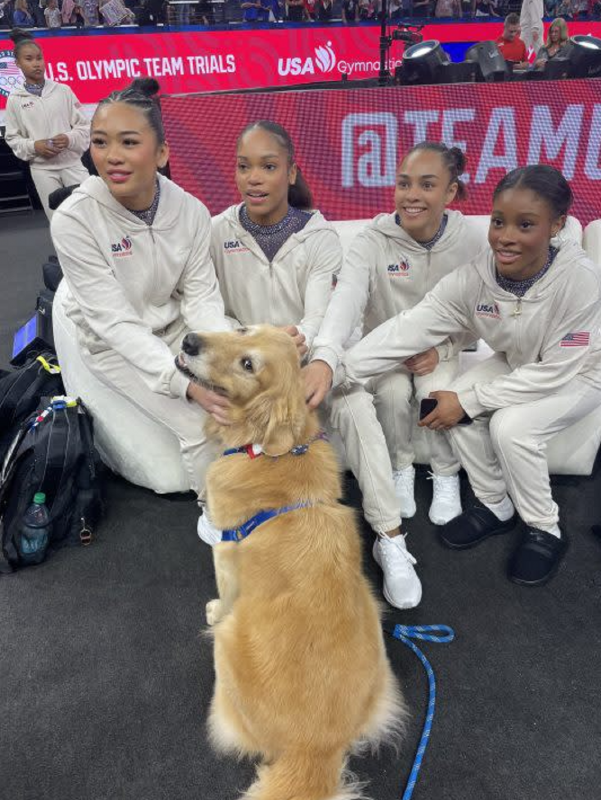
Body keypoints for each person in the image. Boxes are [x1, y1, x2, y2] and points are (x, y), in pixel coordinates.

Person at [333, 165, 601, 588]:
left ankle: (545, 528)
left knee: (512, 429)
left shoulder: (580, 279)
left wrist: (473, 402)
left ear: (557, 225)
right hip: (521, 363)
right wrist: (333, 370)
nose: (505, 236)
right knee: (448, 399)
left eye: (525, 225)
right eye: (499, 221)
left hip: (580, 374)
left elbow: (556, 371)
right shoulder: (474, 279)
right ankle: (495, 504)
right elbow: (408, 327)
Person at [303, 143, 484, 610]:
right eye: (405, 182)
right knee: (388, 391)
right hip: (384, 351)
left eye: (427, 184)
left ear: (452, 191)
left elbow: (479, 312)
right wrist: (326, 355)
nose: (412, 194)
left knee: (433, 391)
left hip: (435, 353)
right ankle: (400, 469)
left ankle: (445, 475)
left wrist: (443, 348)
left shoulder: (470, 241)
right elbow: (345, 305)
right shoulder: (371, 240)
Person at [50, 78, 231, 507]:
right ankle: (217, 511)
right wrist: (184, 384)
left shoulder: (190, 210)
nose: (112, 156)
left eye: (129, 142)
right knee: (198, 423)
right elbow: (113, 322)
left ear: (162, 152)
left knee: (239, 389)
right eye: (100, 142)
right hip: (111, 345)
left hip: (176, 328)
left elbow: (201, 297)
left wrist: (216, 359)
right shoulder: (74, 220)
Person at [205, 120, 342, 543]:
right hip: (240, 369)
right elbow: (211, 307)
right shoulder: (217, 231)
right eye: (244, 167)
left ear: (292, 172)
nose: (254, 179)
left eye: (268, 166)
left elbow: (320, 316)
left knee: (356, 407)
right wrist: (249, 340)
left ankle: (388, 531)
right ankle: (223, 507)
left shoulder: (320, 237)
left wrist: (292, 341)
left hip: (301, 363)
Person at [4, 30, 90, 221]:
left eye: (39, 58)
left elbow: (84, 128)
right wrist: (34, 146)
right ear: (18, 63)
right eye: (29, 59)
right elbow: (13, 138)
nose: (36, 63)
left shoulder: (63, 91)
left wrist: (69, 138)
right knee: (59, 222)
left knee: (90, 216)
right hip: (43, 170)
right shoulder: (15, 99)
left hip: (73, 165)